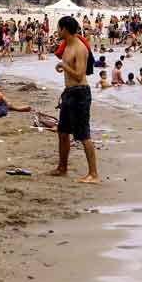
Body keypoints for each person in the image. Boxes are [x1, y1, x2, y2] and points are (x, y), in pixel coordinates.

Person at [50, 16, 99, 184]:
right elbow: (70, 69)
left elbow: (79, 76)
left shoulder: (79, 48)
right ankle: (62, 167)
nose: (57, 31)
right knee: (63, 132)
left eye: (58, 28)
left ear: (65, 29)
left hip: (80, 93)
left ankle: (93, 174)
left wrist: (64, 66)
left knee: (83, 134)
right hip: (69, 92)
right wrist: (63, 66)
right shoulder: (67, 46)